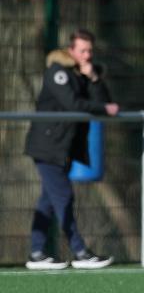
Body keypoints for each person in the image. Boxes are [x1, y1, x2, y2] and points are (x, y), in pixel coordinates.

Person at [24, 29, 118, 270]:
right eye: (82, 51)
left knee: (48, 200)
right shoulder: (58, 72)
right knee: (63, 196)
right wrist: (103, 108)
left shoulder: (83, 73)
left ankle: (36, 252)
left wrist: (94, 78)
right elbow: (73, 104)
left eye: (90, 51)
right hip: (47, 147)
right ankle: (80, 251)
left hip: (63, 148)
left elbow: (104, 101)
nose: (87, 56)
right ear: (71, 50)